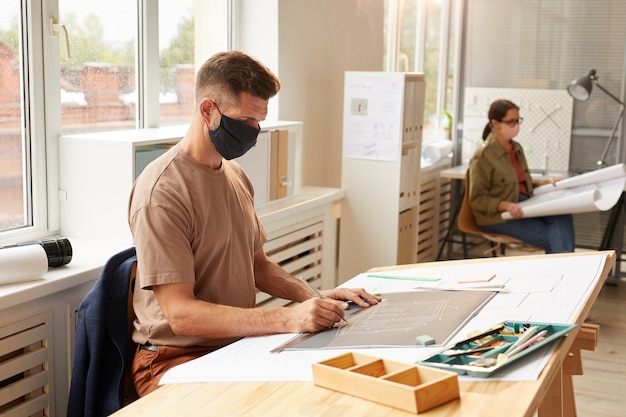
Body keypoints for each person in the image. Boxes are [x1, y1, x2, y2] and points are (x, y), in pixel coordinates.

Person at [127, 51, 381, 396]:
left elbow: (257, 265)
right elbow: (181, 314)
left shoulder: (235, 176)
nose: (253, 132)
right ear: (208, 110)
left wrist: (316, 298)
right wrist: (289, 318)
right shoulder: (163, 191)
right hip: (175, 359)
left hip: (236, 346)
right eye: (245, 121)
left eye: (258, 122)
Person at [468, 99, 575, 254]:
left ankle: (565, 273)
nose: (516, 126)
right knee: (555, 240)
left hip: (522, 204)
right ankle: (567, 273)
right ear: (496, 124)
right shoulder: (484, 155)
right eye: (511, 122)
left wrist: (541, 185)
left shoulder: (516, 148)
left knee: (562, 213)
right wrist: (506, 205)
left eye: (518, 120)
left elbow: (519, 184)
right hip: (498, 216)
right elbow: (477, 200)